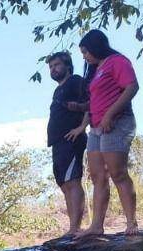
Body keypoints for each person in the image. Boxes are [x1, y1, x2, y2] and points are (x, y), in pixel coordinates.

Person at [73, 29, 140, 237]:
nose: (84, 56)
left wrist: (110, 115)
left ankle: (131, 223)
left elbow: (132, 87)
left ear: (96, 46)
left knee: (117, 172)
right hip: (96, 128)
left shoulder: (117, 61)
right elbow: (95, 102)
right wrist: (80, 110)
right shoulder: (95, 70)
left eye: (85, 51)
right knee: (97, 175)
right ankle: (96, 226)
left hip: (117, 123)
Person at [47, 51, 88, 236]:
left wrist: (82, 127)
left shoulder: (75, 81)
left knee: (72, 182)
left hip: (72, 140)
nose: (53, 69)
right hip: (58, 143)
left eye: (56, 65)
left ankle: (75, 228)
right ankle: (72, 228)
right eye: (50, 67)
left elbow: (90, 103)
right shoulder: (58, 90)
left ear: (67, 65)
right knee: (64, 185)